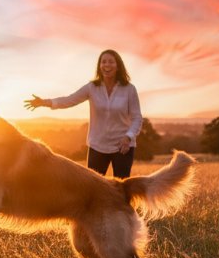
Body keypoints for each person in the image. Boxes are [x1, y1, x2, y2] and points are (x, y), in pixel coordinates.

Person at [24, 49, 143, 179]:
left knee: (124, 190)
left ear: (118, 66)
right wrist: (44, 102)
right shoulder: (92, 87)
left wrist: (128, 137)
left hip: (123, 146)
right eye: (103, 62)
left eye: (111, 62)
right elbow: (69, 100)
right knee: (94, 188)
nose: (106, 65)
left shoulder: (129, 89)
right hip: (98, 146)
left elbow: (136, 117)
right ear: (99, 66)